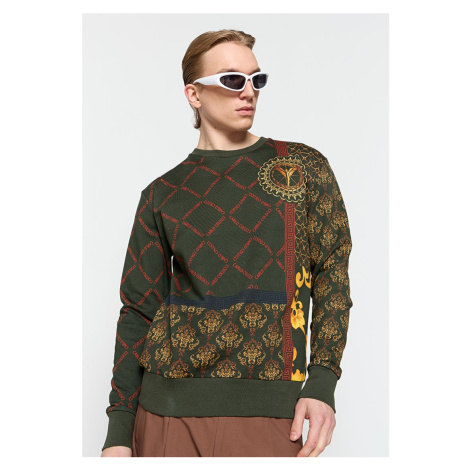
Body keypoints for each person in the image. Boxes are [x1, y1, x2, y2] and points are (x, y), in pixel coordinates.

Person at [100, 28, 353, 458]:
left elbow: (332, 272)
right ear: (194, 94)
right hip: (165, 414)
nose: (248, 91)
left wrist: (323, 380)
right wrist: (119, 433)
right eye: (232, 79)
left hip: (272, 414)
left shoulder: (301, 167)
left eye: (257, 79)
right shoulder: (163, 194)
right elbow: (139, 312)